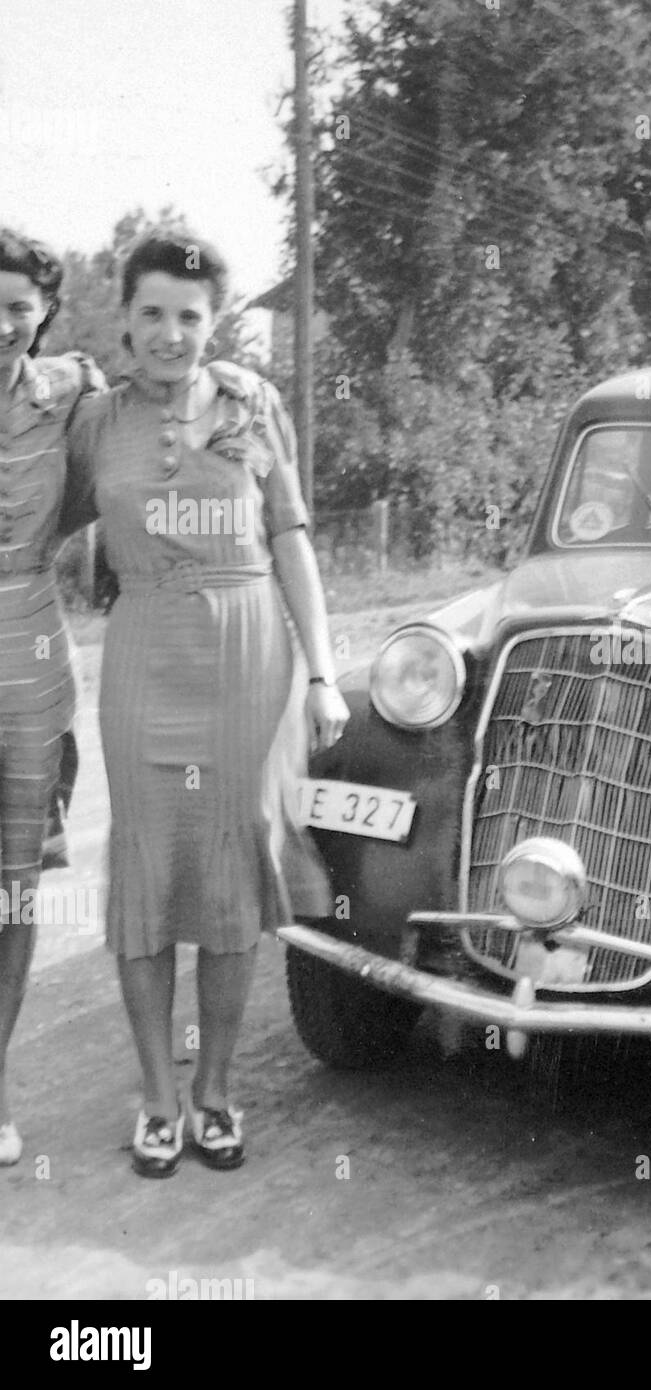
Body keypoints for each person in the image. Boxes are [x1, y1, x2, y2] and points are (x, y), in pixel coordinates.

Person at [64, 232, 347, 1177]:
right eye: (151, 313)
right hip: (144, 654)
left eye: (189, 317)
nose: (170, 335)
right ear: (125, 319)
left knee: (229, 873)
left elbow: (294, 541)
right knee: (147, 873)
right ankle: (156, 1098)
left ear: (213, 323)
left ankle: (216, 1093)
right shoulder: (95, 419)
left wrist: (322, 672)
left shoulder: (253, 403)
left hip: (243, 657)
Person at [0, 229, 105, 1165]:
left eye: (16, 308)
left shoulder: (68, 388)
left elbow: (148, 426)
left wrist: (237, 388)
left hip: (31, 659)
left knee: (14, 891)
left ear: (41, 316)